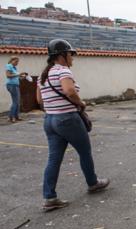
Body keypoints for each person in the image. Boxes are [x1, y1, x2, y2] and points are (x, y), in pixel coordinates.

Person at [37, 39, 109, 211]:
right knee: (84, 152)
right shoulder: (63, 71)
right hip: (67, 118)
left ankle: (50, 197)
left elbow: (39, 100)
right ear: (62, 55)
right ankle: (93, 183)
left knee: (54, 159)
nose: (72, 58)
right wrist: (81, 102)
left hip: (50, 120)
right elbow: (69, 91)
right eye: (71, 54)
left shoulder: (42, 76)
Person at [5, 56, 27, 123]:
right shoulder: (9, 66)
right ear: (12, 60)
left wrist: (23, 77)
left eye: (18, 62)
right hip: (11, 85)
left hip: (15, 85)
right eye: (16, 61)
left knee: (17, 101)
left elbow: (16, 77)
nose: (17, 63)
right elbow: (8, 75)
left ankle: (15, 116)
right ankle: (12, 117)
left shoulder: (14, 68)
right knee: (15, 102)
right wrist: (18, 74)